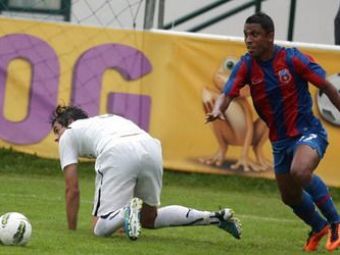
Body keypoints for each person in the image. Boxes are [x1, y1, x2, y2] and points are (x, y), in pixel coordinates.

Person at [206, 12, 340, 252]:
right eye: (246, 34)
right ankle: (319, 226)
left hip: (307, 132)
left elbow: (327, 85)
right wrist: (218, 110)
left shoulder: (292, 59)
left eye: (254, 34)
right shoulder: (246, 65)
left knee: (300, 170)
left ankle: (336, 222)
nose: (249, 40)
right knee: (289, 196)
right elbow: (227, 93)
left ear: (270, 37)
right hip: (279, 141)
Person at [50, 105, 241, 241]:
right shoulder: (105, 121)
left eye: (57, 130)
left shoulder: (70, 133)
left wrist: (71, 230)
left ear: (70, 122)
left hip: (118, 150)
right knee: (150, 218)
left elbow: (72, 189)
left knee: (99, 228)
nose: (57, 139)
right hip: (151, 147)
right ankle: (216, 217)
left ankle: (126, 211)